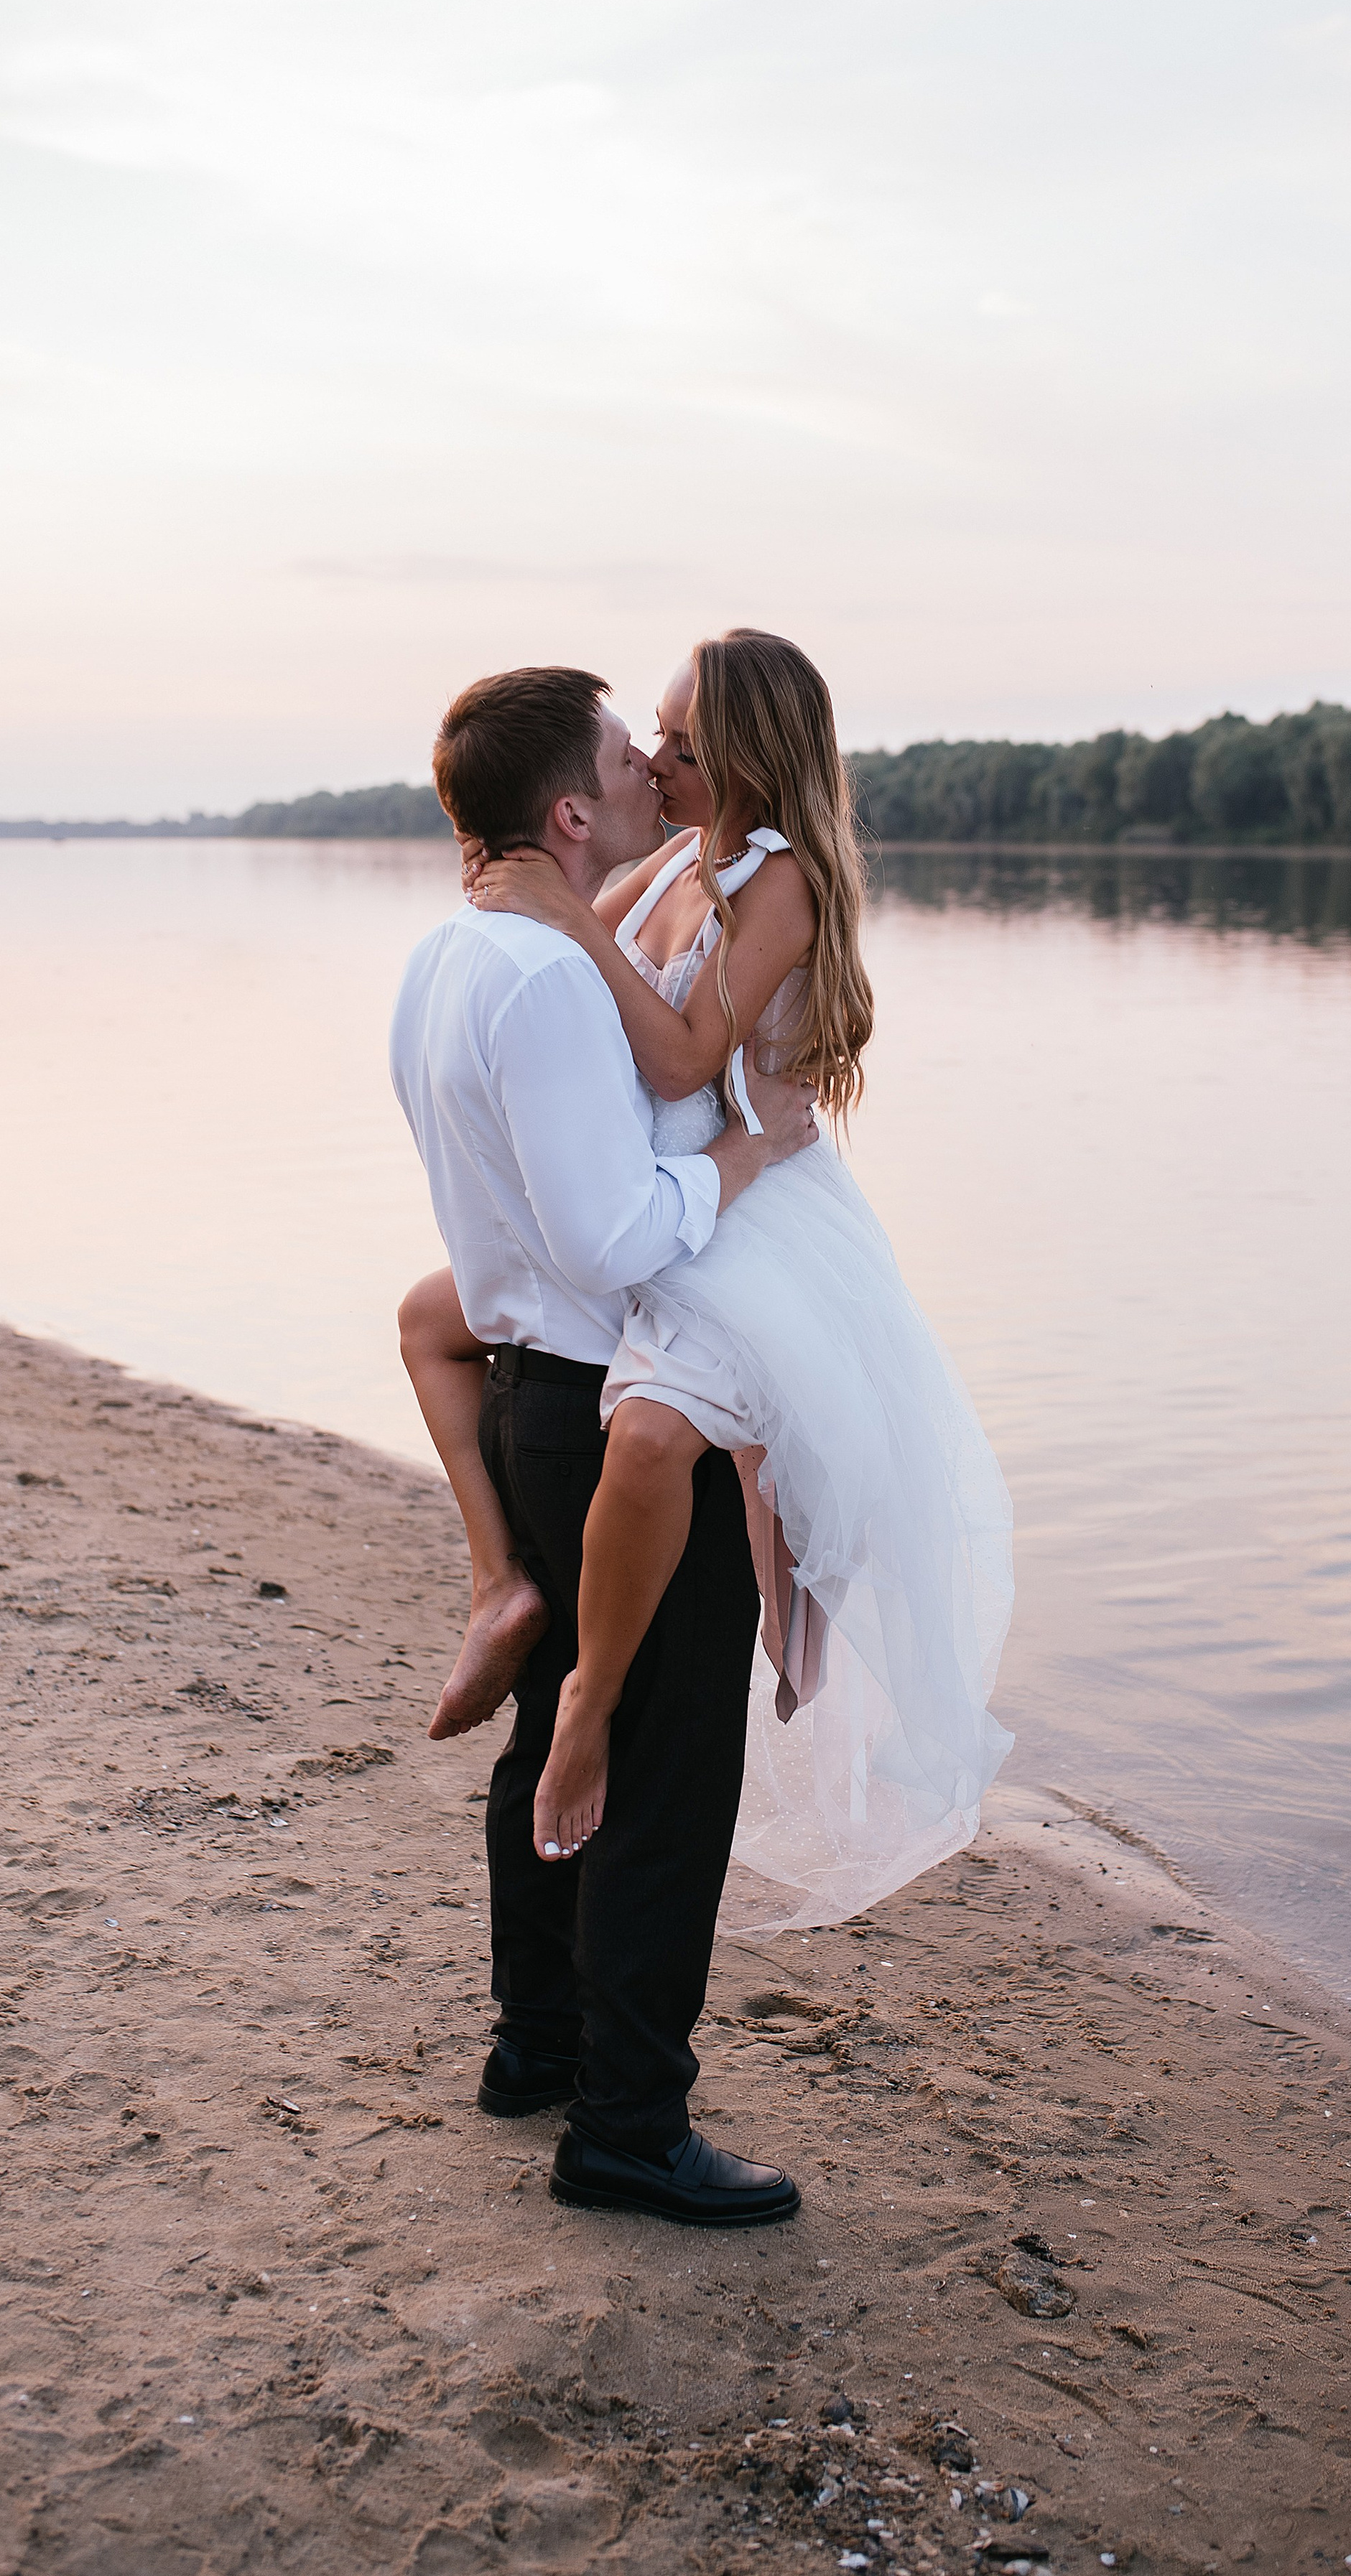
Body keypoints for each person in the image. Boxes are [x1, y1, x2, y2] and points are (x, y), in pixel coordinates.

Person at [407, 628, 1013, 1948]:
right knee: (433, 1319)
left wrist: (567, 910)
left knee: (649, 1433)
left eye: (681, 738)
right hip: (678, 1197)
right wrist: (518, 898)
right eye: (656, 739)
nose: (661, 756)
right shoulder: (678, 857)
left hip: (754, 1201)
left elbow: (682, 1058)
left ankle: (588, 1700)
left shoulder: (780, 880)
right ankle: (502, 1583)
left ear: (745, 751)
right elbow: (574, 969)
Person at [389, 662, 817, 2228]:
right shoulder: (552, 979)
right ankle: (627, 2126)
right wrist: (742, 1167)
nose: (647, 762)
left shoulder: (446, 958)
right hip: (592, 1399)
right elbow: (610, 1235)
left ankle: (536, 2049)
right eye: (619, 755)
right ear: (569, 813)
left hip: (519, 1394)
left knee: (554, 1739)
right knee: (664, 1770)